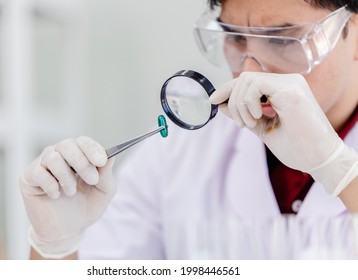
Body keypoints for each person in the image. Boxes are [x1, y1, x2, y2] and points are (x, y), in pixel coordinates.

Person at [20, 0, 358, 260]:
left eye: (283, 41)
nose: (249, 71)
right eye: (236, 39)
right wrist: (57, 247)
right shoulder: (176, 156)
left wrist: (338, 169)